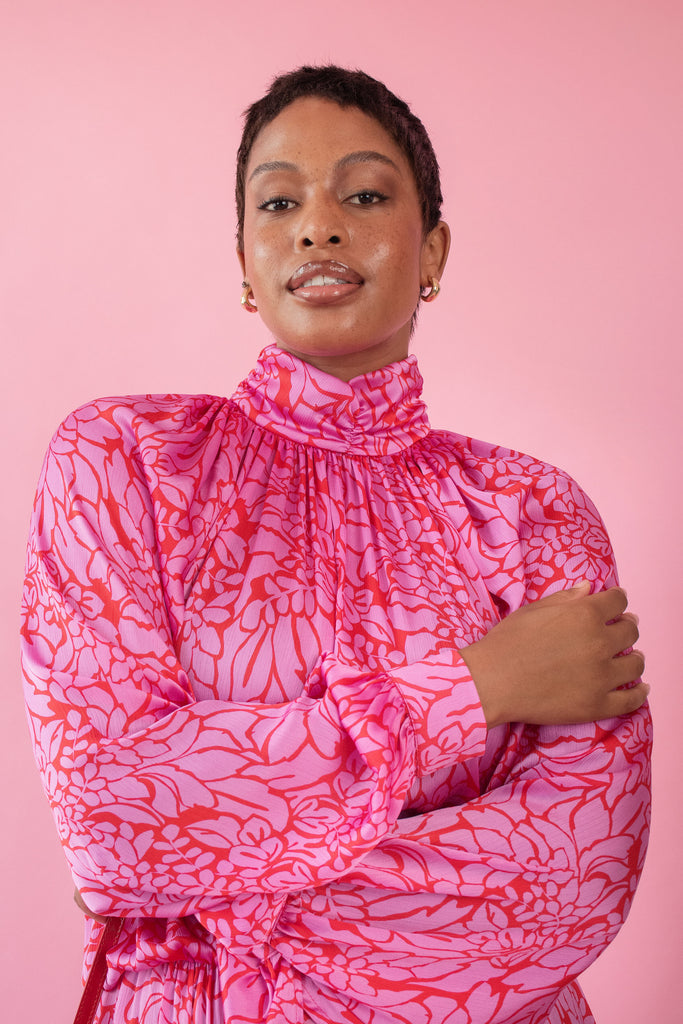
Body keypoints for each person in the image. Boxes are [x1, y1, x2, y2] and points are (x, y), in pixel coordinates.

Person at [21, 65, 651, 1024]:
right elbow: (111, 819)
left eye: (363, 195)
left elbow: (575, 876)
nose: (318, 227)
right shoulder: (128, 462)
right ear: (243, 257)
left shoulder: (532, 511)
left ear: (432, 251)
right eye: (279, 202)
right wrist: (474, 687)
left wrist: (203, 891)